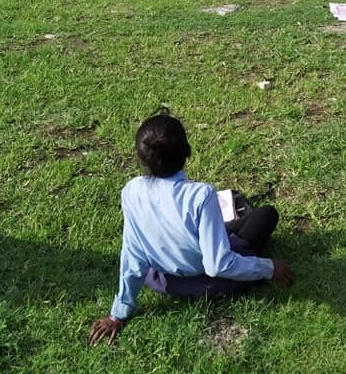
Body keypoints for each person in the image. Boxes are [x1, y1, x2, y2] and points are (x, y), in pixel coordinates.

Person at [87, 113, 293, 345]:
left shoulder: (131, 191)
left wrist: (118, 313)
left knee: (232, 221)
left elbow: (133, 255)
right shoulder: (201, 196)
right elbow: (218, 264)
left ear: (141, 157)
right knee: (265, 215)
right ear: (188, 152)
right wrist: (268, 268)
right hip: (209, 282)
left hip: (160, 279)